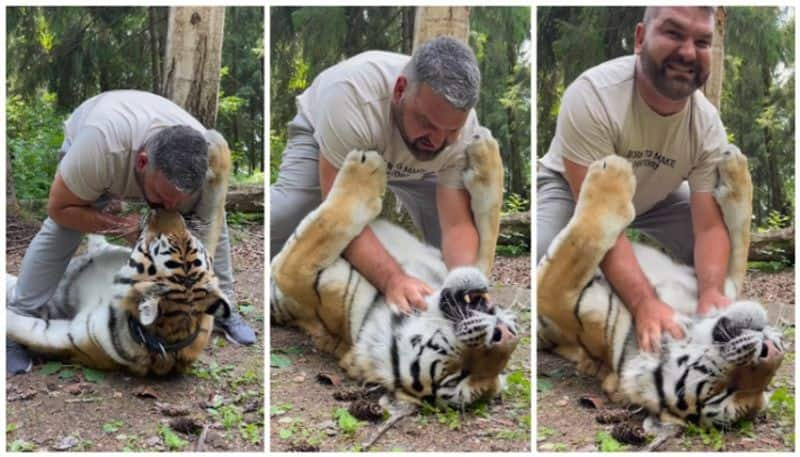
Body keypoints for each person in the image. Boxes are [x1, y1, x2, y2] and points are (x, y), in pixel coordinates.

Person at [7, 90, 256, 374]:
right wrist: (117, 224)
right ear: (141, 163)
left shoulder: (200, 159)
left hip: (150, 150)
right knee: (62, 229)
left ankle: (225, 309)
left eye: (178, 200)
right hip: (100, 139)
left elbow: (208, 222)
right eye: (164, 196)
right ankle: (18, 319)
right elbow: (58, 208)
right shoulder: (99, 150)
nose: (169, 208)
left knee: (213, 221)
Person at [537, 7, 731, 352]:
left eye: (702, 41)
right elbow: (599, 222)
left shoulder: (707, 125)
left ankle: (691, 303)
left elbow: (709, 228)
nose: (688, 53)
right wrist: (643, 303)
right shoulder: (593, 95)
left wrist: (712, 291)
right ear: (640, 38)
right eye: (673, 34)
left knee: (718, 253)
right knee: (543, 259)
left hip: (655, 194)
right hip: (575, 193)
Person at [271, 36, 486, 314]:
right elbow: (339, 216)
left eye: (450, 131)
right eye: (427, 123)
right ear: (400, 90)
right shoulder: (351, 97)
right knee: (289, 210)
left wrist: (465, 285)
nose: (437, 140)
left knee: (451, 241)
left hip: (421, 168)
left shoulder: (465, 134)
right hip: (328, 138)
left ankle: (441, 300)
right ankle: (269, 284)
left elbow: (457, 225)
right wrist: (393, 279)